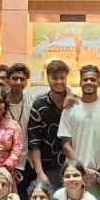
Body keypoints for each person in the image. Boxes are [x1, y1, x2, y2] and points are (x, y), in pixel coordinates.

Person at [59, 64, 100, 189]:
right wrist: (82, 170)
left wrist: (97, 170)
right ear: (80, 82)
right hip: (74, 174)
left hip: (99, 175)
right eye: (85, 79)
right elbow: (65, 144)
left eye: (93, 79)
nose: (89, 82)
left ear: (99, 83)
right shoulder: (70, 109)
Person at [27, 59, 73, 187]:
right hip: (46, 168)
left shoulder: (74, 103)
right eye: (54, 78)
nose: (59, 81)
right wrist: (39, 172)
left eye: (62, 78)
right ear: (48, 78)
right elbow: (34, 141)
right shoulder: (39, 105)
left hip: (71, 167)